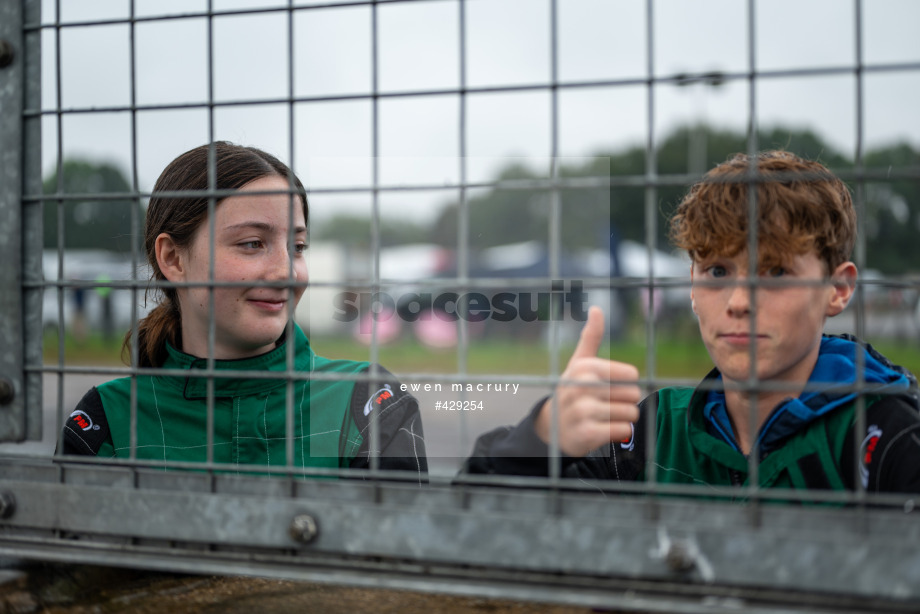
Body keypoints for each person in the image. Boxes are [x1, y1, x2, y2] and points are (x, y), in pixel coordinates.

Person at [465, 150, 920, 493]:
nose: (740, 301)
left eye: (776, 272)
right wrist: (543, 437)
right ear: (692, 288)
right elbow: (468, 533)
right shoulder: (655, 430)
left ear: (837, 290)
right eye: (717, 272)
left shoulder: (889, 435)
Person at [61, 142, 427, 480]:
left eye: (297, 246)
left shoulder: (366, 402)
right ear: (172, 258)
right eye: (252, 243)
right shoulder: (106, 420)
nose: (286, 271)